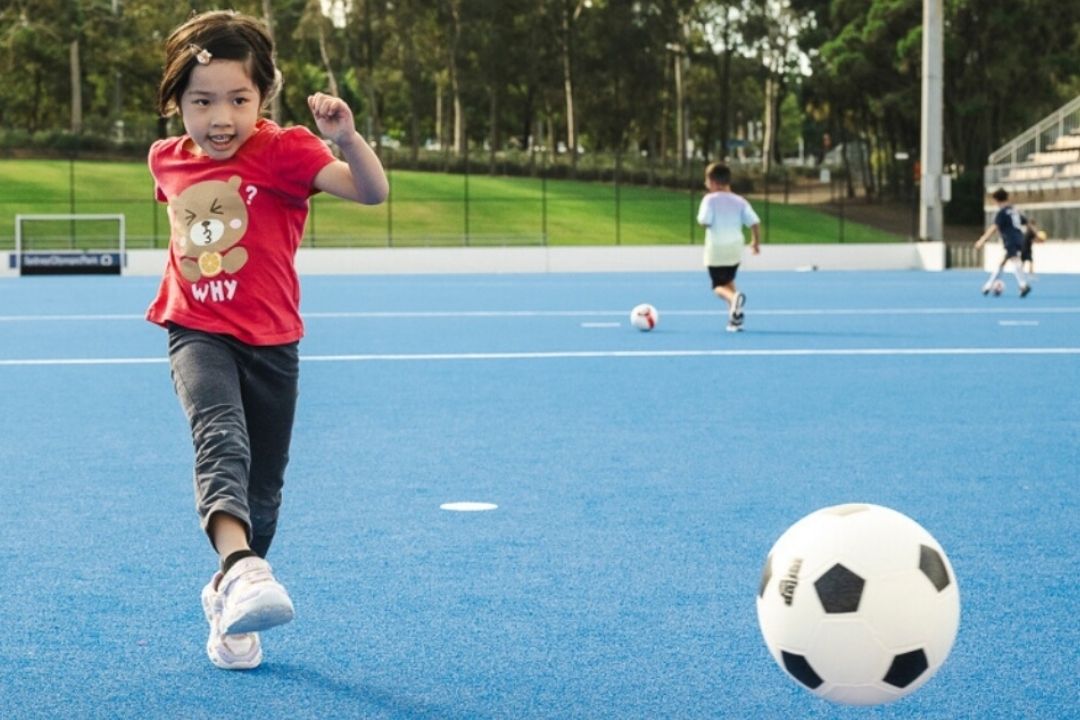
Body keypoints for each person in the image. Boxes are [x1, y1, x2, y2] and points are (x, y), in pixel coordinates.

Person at [146, 10, 388, 670]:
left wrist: (347, 139)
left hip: (273, 341)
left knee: (264, 491)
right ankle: (243, 566)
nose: (219, 117)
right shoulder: (164, 160)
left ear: (264, 96)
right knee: (219, 437)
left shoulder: (287, 150)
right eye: (201, 101)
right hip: (194, 330)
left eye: (238, 99)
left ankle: (232, 589)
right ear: (176, 103)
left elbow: (371, 192)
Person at [697, 162, 761, 332]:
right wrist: (755, 242)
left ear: (713, 183)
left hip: (716, 249)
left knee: (718, 286)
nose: (705, 185)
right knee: (729, 281)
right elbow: (754, 222)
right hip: (735, 250)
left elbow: (704, 221)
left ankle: (734, 300)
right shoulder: (740, 201)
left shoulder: (709, 200)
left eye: (707, 181)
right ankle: (735, 318)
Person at [974, 188, 1031, 297]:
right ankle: (988, 286)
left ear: (996, 200)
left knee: (1014, 260)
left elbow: (994, 227)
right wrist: (1036, 235)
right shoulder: (1014, 210)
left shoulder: (1002, 213)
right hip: (1019, 237)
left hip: (1010, 239)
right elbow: (1027, 222)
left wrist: (982, 240)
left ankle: (1023, 284)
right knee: (1003, 262)